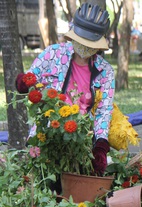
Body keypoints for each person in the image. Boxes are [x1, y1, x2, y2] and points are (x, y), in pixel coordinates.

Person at [15, 3, 114, 176]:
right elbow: (31, 78)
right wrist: (24, 83)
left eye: (89, 43)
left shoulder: (105, 72)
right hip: (46, 134)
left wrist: (101, 146)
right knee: (42, 183)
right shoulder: (52, 54)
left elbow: (104, 111)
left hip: (79, 140)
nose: (84, 47)